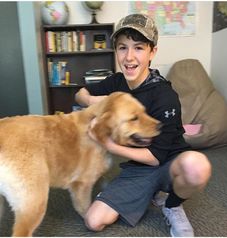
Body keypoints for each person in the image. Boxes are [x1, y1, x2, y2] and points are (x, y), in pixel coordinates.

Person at [75, 13, 212, 237]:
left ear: (152, 52)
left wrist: (107, 144)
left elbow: (156, 157)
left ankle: (172, 204)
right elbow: (80, 94)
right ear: (116, 51)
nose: (129, 57)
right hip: (139, 168)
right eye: (122, 47)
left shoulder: (164, 95)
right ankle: (152, 192)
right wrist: (91, 101)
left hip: (169, 161)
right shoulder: (116, 82)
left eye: (138, 48)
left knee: (197, 166)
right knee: (94, 221)